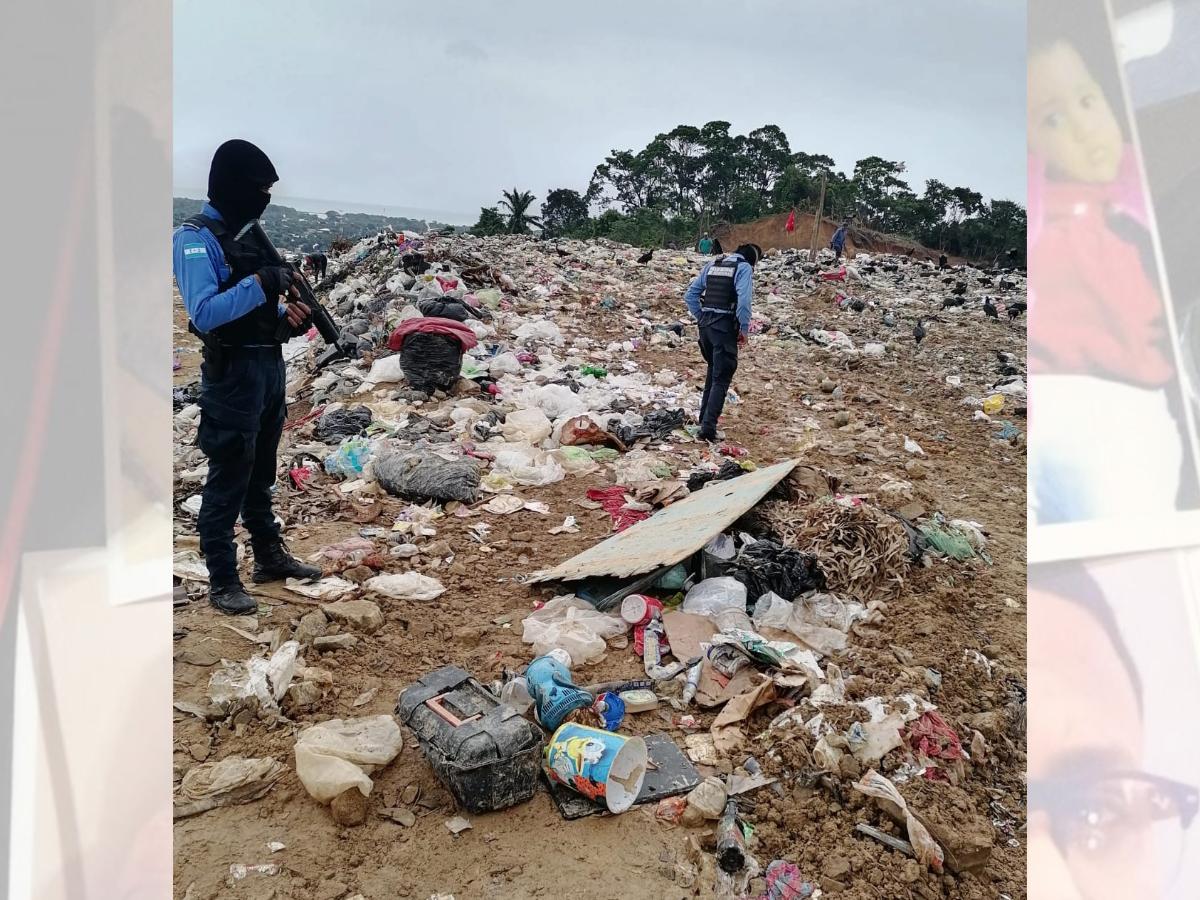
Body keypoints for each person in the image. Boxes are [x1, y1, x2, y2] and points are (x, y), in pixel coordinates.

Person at [1028, 5, 1196, 523]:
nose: (1081, 127)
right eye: (1054, 118)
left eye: (1087, 101)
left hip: (1129, 420)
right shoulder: (1050, 215)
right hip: (1071, 420)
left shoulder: (1133, 206)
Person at [172, 139, 322, 615]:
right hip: (232, 374)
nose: (265, 197)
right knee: (229, 476)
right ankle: (222, 576)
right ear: (233, 186)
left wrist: (285, 316)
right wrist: (261, 284)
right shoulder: (195, 239)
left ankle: (269, 557)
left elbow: (260, 311)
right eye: (259, 188)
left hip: (268, 367)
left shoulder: (248, 237)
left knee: (262, 472)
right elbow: (206, 312)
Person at [684, 243, 761, 441]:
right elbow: (743, 303)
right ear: (752, 260)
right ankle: (708, 429)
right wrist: (743, 329)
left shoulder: (713, 264)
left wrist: (701, 317)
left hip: (706, 329)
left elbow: (690, 295)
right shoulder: (743, 268)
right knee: (722, 377)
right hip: (723, 328)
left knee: (713, 372)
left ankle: (704, 420)